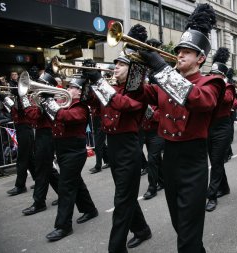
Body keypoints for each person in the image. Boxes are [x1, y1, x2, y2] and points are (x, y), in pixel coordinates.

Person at [137, 4, 224, 252]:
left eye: (187, 52)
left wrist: (162, 69)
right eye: (179, 51)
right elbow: (138, 92)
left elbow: (200, 100)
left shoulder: (212, 81)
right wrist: (136, 65)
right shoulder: (166, 80)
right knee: (181, 224)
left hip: (193, 159)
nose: (180, 55)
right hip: (170, 156)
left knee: (187, 234)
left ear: (201, 58)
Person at [86, 25, 152, 253]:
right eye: (115, 63)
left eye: (121, 64)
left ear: (133, 68)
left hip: (128, 147)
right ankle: (142, 229)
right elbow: (95, 107)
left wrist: (101, 84)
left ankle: (115, 248)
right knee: (126, 196)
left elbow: (124, 105)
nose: (115, 67)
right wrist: (91, 85)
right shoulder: (112, 87)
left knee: (122, 199)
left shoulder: (137, 89)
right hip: (112, 146)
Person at [41, 76, 98, 241]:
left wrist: (50, 102)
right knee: (75, 182)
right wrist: (45, 101)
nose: (68, 89)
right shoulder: (63, 103)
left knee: (66, 187)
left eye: (72, 87)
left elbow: (66, 117)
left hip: (74, 151)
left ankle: (63, 226)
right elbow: (50, 117)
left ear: (79, 92)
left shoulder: (81, 106)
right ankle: (90, 209)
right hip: (62, 149)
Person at [21, 71, 59, 215]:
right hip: (43, 134)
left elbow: (34, 116)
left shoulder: (48, 99)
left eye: (41, 84)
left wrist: (24, 100)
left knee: (42, 170)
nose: (37, 86)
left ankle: (39, 202)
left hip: (46, 135)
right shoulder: (42, 98)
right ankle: (63, 193)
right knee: (47, 169)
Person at [206, 47, 234, 212]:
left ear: (223, 77)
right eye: (211, 74)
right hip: (210, 127)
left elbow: (227, 99)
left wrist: (218, 85)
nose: (212, 78)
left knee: (216, 161)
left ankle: (212, 195)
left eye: (216, 76)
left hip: (223, 128)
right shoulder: (209, 85)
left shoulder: (228, 87)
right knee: (215, 161)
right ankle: (224, 187)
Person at [0, 83, 36, 196]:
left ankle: (20, 186)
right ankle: (39, 180)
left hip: (25, 129)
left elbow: (21, 109)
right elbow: (12, 110)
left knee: (21, 159)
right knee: (29, 158)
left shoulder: (25, 99)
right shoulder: (18, 99)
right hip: (22, 129)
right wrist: (4, 98)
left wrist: (15, 96)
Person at [140, 104, 165, 200]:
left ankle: (152, 188)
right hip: (146, 132)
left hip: (157, 133)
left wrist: (147, 109)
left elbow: (159, 117)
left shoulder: (158, 98)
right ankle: (163, 182)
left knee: (152, 160)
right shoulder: (141, 99)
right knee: (156, 158)